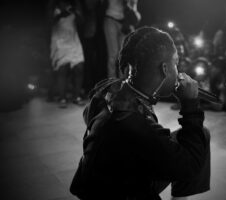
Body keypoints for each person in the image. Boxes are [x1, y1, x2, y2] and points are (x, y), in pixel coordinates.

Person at [70, 27, 211, 200]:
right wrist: (190, 105)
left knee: (201, 134)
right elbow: (190, 166)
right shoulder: (134, 123)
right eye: (176, 64)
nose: (179, 71)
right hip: (120, 192)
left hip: (116, 176)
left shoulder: (110, 89)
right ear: (165, 69)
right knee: (194, 150)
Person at [50, 0, 85, 108]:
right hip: (59, 42)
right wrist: (61, 14)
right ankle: (62, 97)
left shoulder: (74, 5)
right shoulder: (53, 6)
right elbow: (48, 22)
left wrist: (77, 12)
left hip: (73, 40)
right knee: (62, 69)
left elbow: (82, 23)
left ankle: (76, 96)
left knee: (79, 68)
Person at [104, 0, 141, 78]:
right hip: (111, 19)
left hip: (125, 24)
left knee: (123, 55)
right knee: (113, 55)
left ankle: (122, 82)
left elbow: (136, 14)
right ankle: (112, 83)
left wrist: (134, 17)